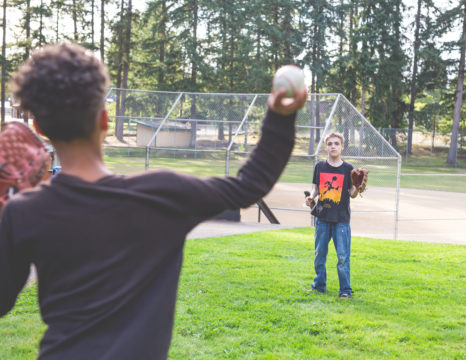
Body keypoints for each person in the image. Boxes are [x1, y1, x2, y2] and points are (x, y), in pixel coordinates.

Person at [0, 42, 307, 359]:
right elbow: (249, 186)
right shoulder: (162, 194)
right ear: (105, 120)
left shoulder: (25, 211)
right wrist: (280, 117)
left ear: (39, 129)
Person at [305, 132, 367, 299]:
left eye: (336, 144)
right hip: (322, 219)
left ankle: (345, 290)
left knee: (342, 256)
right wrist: (311, 197)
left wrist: (357, 187)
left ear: (342, 147)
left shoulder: (348, 169)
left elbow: (351, 194)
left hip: (341, 220)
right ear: (326, 147)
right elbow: (316, 188)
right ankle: (319, 286)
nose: (333, 146)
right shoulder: (320, 166)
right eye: (330, 143)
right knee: (319, 254)